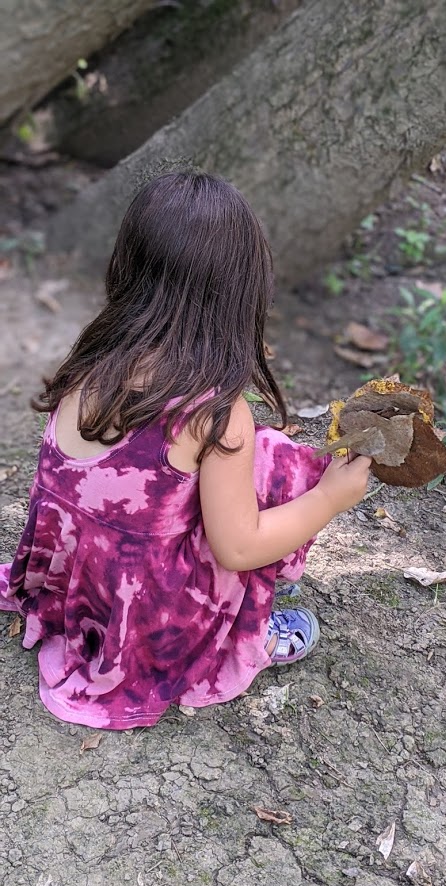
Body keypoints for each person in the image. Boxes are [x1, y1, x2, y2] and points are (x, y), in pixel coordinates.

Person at [0, 171, 371, 730]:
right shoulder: (214, 413)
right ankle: (239, 636)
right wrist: (329, 499)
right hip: (146, 619)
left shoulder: (94, 359)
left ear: (128, 265)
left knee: (261, 455)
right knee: (274, 470)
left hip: (77, 583)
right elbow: (238, 548)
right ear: (239, 293)